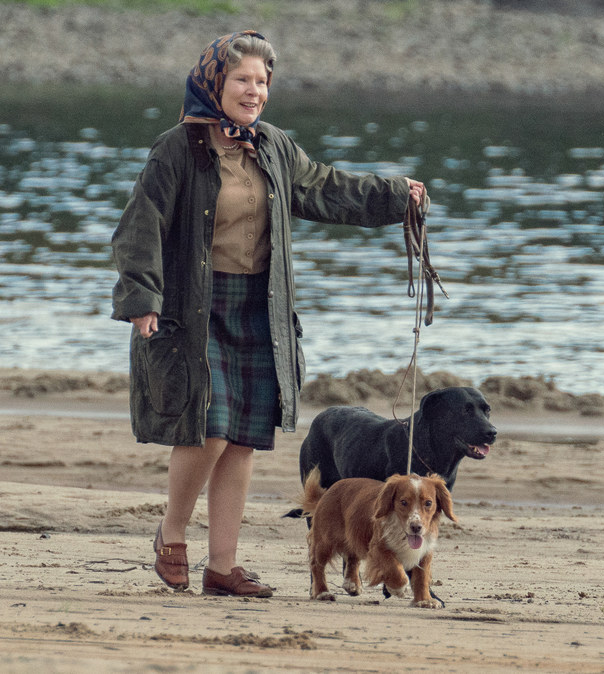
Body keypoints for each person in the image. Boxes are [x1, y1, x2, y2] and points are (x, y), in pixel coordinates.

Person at [110, 30, 427, 597]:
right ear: (215, 84)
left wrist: (395, 194)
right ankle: (173, 535)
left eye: (261, 82)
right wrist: (141, 298)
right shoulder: (177, 149)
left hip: (262, 312)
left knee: (243, 438)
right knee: (208, 427)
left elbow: (326, 188)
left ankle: (223, 567)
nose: (253, 91)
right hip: (194, 311)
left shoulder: (273, 146)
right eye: (242, 80)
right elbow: (141, 225)